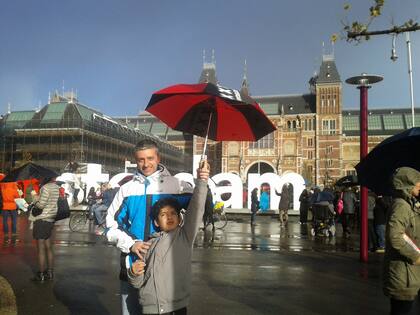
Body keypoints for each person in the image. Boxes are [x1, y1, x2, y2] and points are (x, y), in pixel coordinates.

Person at [106, 139, 193, 315]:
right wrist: (131, 244)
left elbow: (198, 209)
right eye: (141, 160)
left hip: (165, 265)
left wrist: (203, 181)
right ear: (135, 160)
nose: (146, 164)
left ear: (158, 158)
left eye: (150, 158)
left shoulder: (176, 186)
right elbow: (110, 225)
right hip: (133, 263)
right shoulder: (126, 189)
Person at [128, 160, 209, 315]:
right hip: (150, 308)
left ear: (179, 218)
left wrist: (202, 181)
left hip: (176, 307)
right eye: (164, 215)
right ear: (156, 222)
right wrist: (134, 273)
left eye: (173, 214)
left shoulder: (184, 236)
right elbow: (138, 283)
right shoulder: (147, 245)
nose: (169, 217)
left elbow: (197, 208)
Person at [383, 167, 420, 315]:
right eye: (418, 183)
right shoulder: (401, 206)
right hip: (403, 273)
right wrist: (416, 257)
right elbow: (395, 237)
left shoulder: (408, 204)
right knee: (402, 310)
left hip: (409, 273)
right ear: (407, 185)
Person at [29, 177, 59, 282]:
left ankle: (41, 274)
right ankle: (50, 273)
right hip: (51, 219)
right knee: (48, 247)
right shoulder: (56, 187)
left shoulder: (45, 188)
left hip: (42, 220)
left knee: (41, 249)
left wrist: (34, 197)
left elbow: (41, 205)